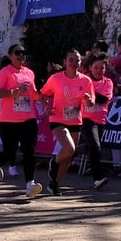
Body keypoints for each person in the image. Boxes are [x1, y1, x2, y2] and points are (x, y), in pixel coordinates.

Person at [0, 43, 43, 198]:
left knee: (30, 152)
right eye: (17, 53)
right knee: (9, 153)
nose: (21, 56)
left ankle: (30, 184)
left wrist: (42, 97)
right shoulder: (5, 73)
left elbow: (33, 93)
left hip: (28, 118)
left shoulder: (29, 73)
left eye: (23, 53)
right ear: (10, 56)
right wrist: (15, 92)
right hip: (8, 121)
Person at [40, 50, 95, 196]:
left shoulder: (85, 80)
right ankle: (54, 163)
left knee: (69, 155)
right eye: (71, 60)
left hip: (75, 119)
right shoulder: (55, 78)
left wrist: (89, 100)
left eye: (77, 60)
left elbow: (91, 101)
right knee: (69, 148)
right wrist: (46, 106)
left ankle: (54, 183)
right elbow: (43, 94)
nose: (74, 63)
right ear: (65, 62)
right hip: (57, 118)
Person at [82, 52, 114, 190]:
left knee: (91, 147)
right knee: (95, 146)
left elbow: (104, 99)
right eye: (96, 68)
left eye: (102, 68)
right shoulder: (84, 80)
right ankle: (98, 178)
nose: (99, 71)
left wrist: (90, 95)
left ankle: (72, 151)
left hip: (100, 119)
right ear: (90, 67)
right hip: (86, 119)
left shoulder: (108, 82)